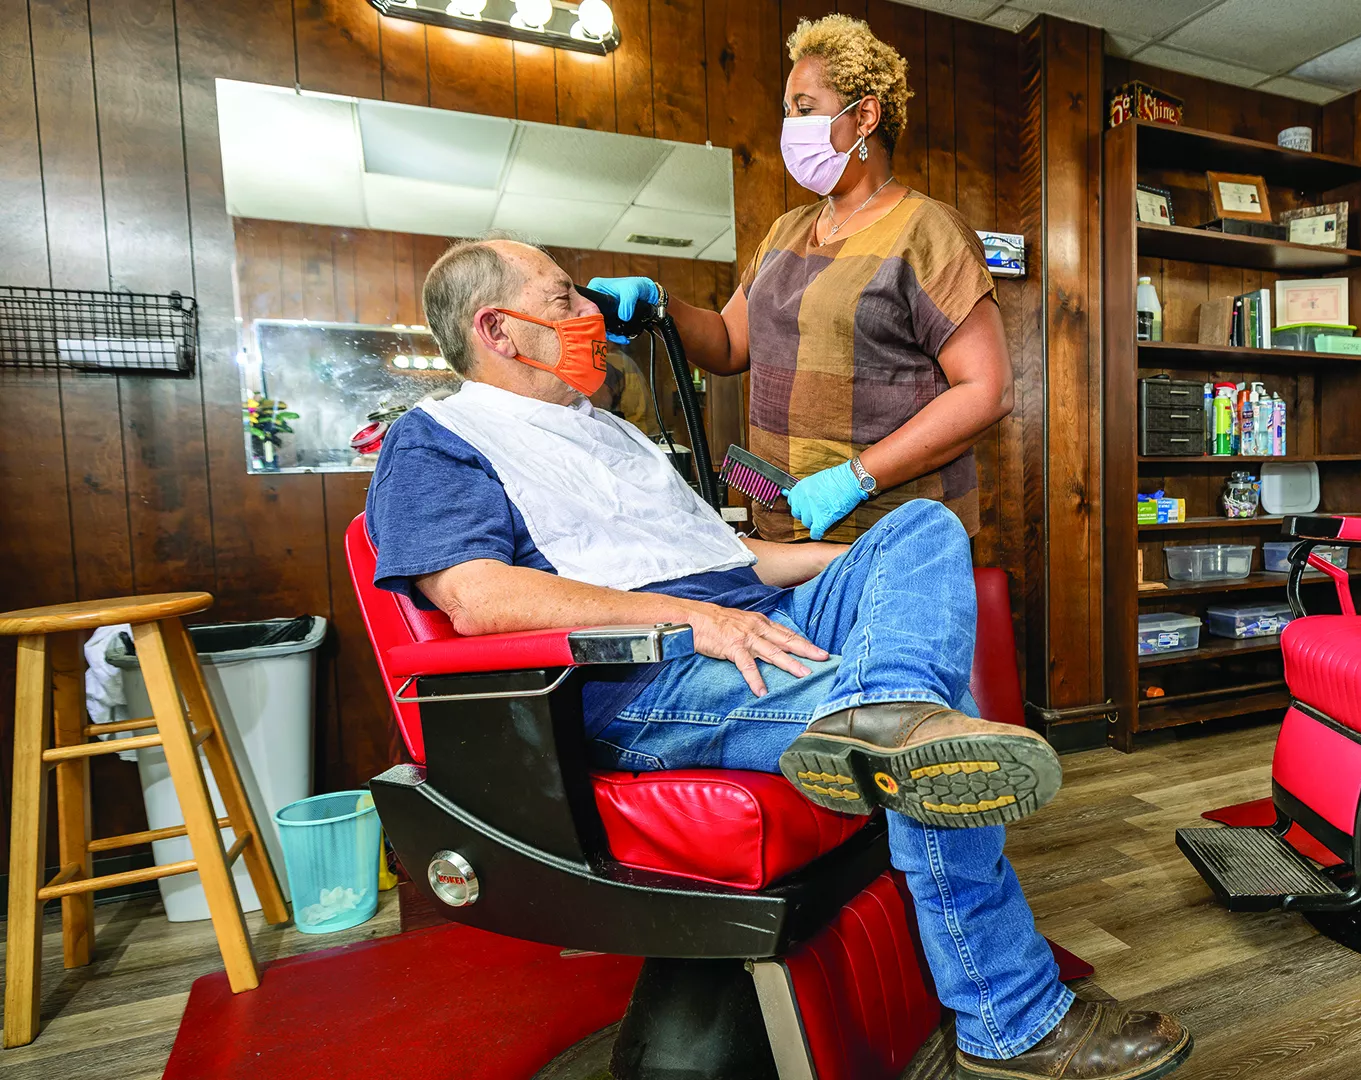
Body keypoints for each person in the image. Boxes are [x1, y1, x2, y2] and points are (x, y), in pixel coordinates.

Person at [363, 238, 1191, 1080]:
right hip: (645, 674)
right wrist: (690, 618)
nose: (591, 316)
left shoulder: (609, 433)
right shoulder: (437, 439)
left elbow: (738, 562)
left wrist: (875, 569)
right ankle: (1008, 1015)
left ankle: (894, 720)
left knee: (924, 528)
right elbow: (475, 598)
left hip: (749, 618)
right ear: (498, 330)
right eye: (567, 297)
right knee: (932, 745)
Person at [591, 14, 1012, 543]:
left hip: (895, 540)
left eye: (806, 110)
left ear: (865, 119)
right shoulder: (787, 231)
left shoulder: (928, 233)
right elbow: (727, 344)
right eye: (787, 111)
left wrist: (858, 477)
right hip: (784, 535)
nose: (791, 125)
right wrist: (661, 304)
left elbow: (987, 391)